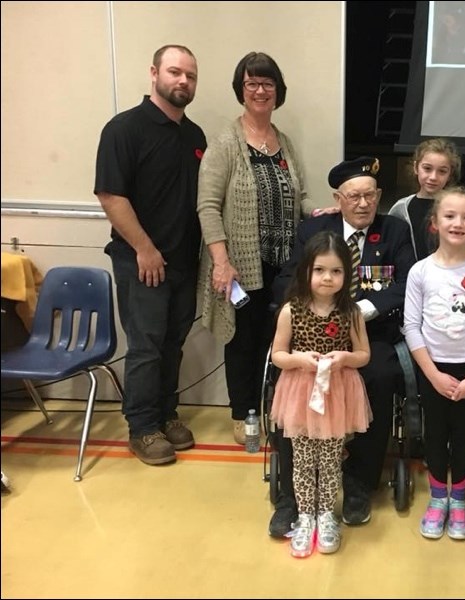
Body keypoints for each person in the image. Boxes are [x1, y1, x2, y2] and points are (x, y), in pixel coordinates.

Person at [269, 156, 415, 537]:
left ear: (379, 195)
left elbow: (406, 283)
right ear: (339, 197)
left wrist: (360, 310)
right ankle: (290, 497)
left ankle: (359, 483)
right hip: (310, 336)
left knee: (381, 376)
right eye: (354, 196)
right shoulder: (315, 229)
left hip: (369, 333)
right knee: (281, 379)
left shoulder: (395, 231)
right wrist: (300, 313)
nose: (364, 204)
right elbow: (289, 276)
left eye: (370, 195)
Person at [94, 45, 205, 466]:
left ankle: (166, 415)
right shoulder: (125, 129)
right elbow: (110, 195)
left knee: (173, 343)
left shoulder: (194, 136)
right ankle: (142, 428)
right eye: (175, 72)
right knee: (146, 347)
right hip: (140, 262)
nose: (183, 82)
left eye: (191, 76)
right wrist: (145, 249)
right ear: (154, 72)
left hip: (182, 262)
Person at [197, 52, 311, 445]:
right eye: (252, 83)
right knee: (243, 343)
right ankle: (243, 415)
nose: (261, 90)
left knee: (276, 341)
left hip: (283, 269)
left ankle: (271, 411)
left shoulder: (285, 142)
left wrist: (322, 212)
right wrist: (221, 262)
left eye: (268, 84)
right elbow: (208, 205)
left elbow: (299, 200)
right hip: (243, 268)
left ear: (278, 91)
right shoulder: (226, 143)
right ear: (241, 91)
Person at [269, 230, 372, 557]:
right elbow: (278, 355)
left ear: (347, 274)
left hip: (336, 394)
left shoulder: (352, 313)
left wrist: (344, 359)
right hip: (300, 393)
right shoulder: (291, 310)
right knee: (301, 459)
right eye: (320, 270)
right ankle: (304, 516)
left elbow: (363, 354)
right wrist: (299, 360)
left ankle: (326, 514)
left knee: (329, 459)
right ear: (306, 271)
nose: (328, 278)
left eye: (336, 271)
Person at [404, 186, 465, 541]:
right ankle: (437, 497)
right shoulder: (420, 272)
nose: (457, 223)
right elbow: (412, 327)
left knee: (462, 437)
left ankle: (458, 500)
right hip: (433, 369)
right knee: (435, 435)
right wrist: (432, 374)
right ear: (435, 222)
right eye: (450, 216)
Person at [388, 137, 461, 261]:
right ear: (416, 167)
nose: (433, 177)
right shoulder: (401, 209)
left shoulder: (458, 207)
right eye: (427, 168)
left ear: (450, 174)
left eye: (442, 171)